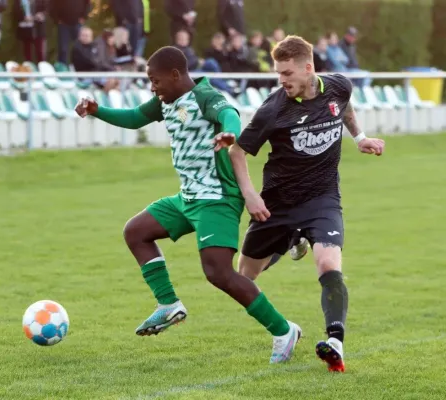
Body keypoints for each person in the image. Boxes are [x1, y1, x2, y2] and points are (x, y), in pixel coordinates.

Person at [75, 46, 302, 363]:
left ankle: (283, 330)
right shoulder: (165, 103)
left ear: (175, 75)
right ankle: (168, 304)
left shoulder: (205, 96)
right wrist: (97, 110)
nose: (153, 87)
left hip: (216, 198)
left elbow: (230, 115)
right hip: (188, 197)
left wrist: (228, 135)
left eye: (156, 81)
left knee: (219, 273)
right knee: (136, 232)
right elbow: (135, 118)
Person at [214, 35, 385, 372]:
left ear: (309, 68)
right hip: (277, 204)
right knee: (243, 278)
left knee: (328, 264)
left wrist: (360, 137)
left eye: (287, 73)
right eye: (278, 74)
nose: (282, 80)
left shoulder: (337, 85)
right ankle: (290, 241)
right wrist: (250, 194)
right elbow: (237, 151)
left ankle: (334, 341)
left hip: (322, 198)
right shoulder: (273, 108)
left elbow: (344, 102)